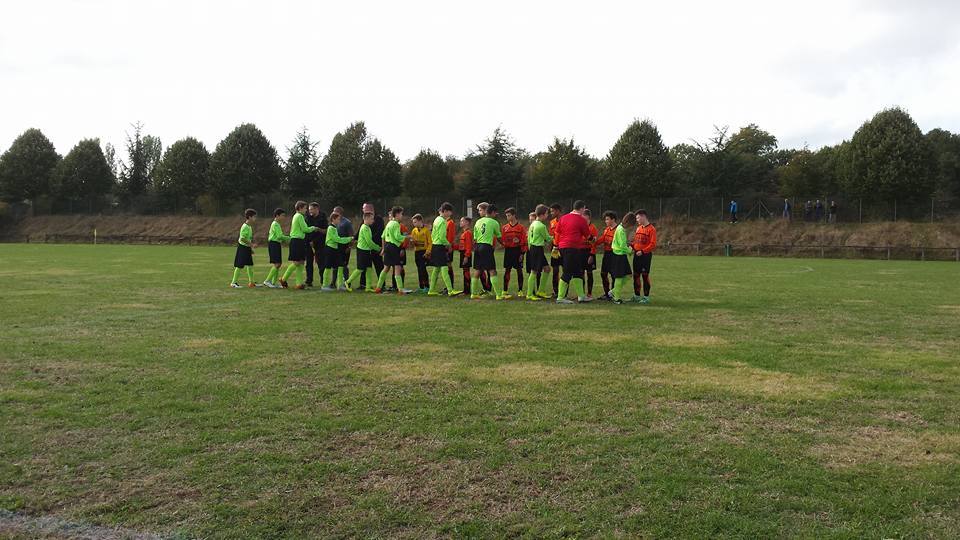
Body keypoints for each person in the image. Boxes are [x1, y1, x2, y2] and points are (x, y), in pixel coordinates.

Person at [554, 200, 592, 304]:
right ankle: (560, 297)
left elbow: (557, 233)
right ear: (582, 208)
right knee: (568, 272)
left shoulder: (563, 218)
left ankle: (581, 296)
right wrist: (593, 239)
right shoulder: (581, 220)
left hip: (563, 247)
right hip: (572, 248)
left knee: (577, 272)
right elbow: (588, 236)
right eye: (584, 209)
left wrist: (556, 246)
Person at [471, 203, 509, 300]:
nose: (496, 215)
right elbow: (499, 237)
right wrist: (504, 244)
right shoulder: (494, 222)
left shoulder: (478, 221)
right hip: (486, 247)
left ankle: (473, 294)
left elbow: (474, 238)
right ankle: (499, 295)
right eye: (495, 213)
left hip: (477, 247)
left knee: (477, 270)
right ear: (492, 212)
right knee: (492, 270)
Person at [279, 201, 320, 289]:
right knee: (297, 262)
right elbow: (305, 229)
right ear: (300, 208)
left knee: (301, 262)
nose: (306, 210)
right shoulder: (299, 216)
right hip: (296, 241)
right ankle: (283, 279)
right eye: (305, 208)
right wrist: (313, 228)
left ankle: (299, 283)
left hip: (299, 241)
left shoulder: (296, 216)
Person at [427, 202, 462, 297]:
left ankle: (431, 290)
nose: (451, 214)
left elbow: (433, 234)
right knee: (444, 268)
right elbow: (442, 237)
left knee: (436, 269)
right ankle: (450, 290)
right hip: (440, 247)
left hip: (435, 246)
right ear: (445, 211)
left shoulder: (436, 219)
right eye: (450, 212)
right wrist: (448, 244)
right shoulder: (443, 221)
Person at [375, 206, 412, 294]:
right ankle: (400, 290)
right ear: (397, 214)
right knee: (397, 268)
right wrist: (408, 237)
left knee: (386, 268)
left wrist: (383, 248)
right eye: (401, 214)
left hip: (387, 246)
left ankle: (378, 287)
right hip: (394, 247)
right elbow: (397, 237)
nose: (402, 216)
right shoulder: (396, 224)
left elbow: (383, 236)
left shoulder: (389, 223)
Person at [344, 212, 378, 292]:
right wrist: (378, 248)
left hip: (367, 251)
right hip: (362, 251)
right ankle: (347, 282)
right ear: (366, 219)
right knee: (360, 269)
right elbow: (369, 242)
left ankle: (368, 287)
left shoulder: (367, 227)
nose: (373, 221)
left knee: (369, 268)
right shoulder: (364, 228)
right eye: (371, 219)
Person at [525, 206, 553, 301]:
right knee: (534, 271)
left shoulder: (533, 224)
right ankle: (529, 294)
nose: (547, 215)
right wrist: (556, 235)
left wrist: (530, 249)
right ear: (542, 214)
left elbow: (529, 238)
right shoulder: (541, 226)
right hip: (537, 249)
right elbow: (548, 239)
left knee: (547, 269)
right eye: (546, 213)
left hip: (534, 248)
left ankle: (541, 291)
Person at [320, 211, 354, 291]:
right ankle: (324, 285)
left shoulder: (334, 228)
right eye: (338, 219)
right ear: (333, 219)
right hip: (329, 250)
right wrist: (349, 239)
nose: (339, 221)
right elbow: (337, 239)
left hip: (335, 250)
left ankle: (340, 285)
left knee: (340, 265)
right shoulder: (330, 228)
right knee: (328, 267)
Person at [609, 212, 637, 304]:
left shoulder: (620, 228)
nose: (631, 227)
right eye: (631, 224)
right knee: (619, 277)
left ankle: (613, 291)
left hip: (621, 255)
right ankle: (616, 298)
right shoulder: (621, 230)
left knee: (628, 275)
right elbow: (622, 246)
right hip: (618, 256)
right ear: (629, 222)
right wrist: (630, 250)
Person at [500, 207, 527, 297]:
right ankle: (505, 290)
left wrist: (522, 253)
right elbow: (503, 240)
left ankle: (520, 290)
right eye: (506, 216)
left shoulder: (521, 227)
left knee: (519, 270)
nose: (507, 217)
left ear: (514, 215)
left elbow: (524, 241)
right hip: (508, 251)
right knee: (507, 270)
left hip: (517, 251)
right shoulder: (504, 228)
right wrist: (505, 243)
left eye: (509, 215)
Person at [632, 209, 657, 304]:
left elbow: (653, 244)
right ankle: (637, 296)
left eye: (638, 218)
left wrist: (643, 251)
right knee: (636, 275)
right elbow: (636, 241)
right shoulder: (638, 228)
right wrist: (632, 247)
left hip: (645, 256)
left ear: (643, 216)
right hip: (636, 255)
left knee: (645, 276)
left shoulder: (651, 229)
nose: (637, 220)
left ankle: (646, 297)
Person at [357, 203, 385, 289]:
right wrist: (353, 238)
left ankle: (382, 285)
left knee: (379, 266)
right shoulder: (365, 219)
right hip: (367, 248)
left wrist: (374, 244)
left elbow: (380, 232)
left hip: (375, 247)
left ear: (370, 209)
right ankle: (363, 284)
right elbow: (359, 231)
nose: (363, 210)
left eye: (364, 208)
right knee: (365, 266)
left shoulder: (379, 219)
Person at [230, 208, 258, 288]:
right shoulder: (245, 226)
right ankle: (233, 283)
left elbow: (247, 239)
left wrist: (250, 249)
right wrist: (252, 245)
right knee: (239, 265)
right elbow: (242, 238)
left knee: (250, 265)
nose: (255, 218)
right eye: (254, 217)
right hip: (242, 247)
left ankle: (251, 283)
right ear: (249, 217)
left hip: (247, 248)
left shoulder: (249, 227)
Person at [263, 208, 290, 288]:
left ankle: (273, 283)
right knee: (277, 264)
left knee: (278, 264)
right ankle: (267, 281)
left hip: (276, 244)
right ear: (277, 216)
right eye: (282, 215)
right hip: (273, 244)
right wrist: (289, 238)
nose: (284, 217)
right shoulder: (275, 224)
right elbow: (279, 236)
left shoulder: (276, 224)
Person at [304, 202, 327, 287]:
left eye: (311, 209)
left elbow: (325, 231)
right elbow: (306, 230)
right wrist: (310, 241)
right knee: (309, 263)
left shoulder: (323, 217)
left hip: (320, 243)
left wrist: (318, 229)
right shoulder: (307, 217)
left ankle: (323, 281)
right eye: (309, 209)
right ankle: (309, 280)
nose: (310, 211)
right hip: (308, 243)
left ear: (317, 209)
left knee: (321, 263)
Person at [596, 211, 617, 300]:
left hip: (614, 254)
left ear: (613, 219)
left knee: (614, 275)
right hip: (607, 254)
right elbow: (602, 239)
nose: (606, 221)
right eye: (605, 219)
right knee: (603, 274)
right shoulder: (607, 229)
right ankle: (607, 294)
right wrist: (593, 241)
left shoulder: (618, 230)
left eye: (607, 219)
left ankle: (613, 294)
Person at [410, 213, 432, 292]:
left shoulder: (426, 230)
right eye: (413, 222)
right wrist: (412, 242)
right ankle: (421, 287)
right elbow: (413, 241)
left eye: (415, 222)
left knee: (423, 269)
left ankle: (427, 286)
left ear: (420, 221)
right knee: (419, 269)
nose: (414, 224)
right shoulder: (414, 230)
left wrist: (428, 252)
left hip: (424, 252)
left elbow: (430, 242)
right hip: (417, 252)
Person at [332, 206, 353, 286]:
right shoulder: (333, 222)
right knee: (335, 265)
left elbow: (351, 235)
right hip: (336, 246)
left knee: (344, 265)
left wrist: (349, 247)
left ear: (339, 213)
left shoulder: (347, 222)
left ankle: (347, 282)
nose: (333, 213)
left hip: (344, 247)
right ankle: (333, 282)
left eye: (335, 211)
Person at [581, 208, 599, 299]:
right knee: (580, 273)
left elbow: (594, 243)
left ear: (588, 217)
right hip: (580, 252)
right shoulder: (580, 226)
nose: (582, 217)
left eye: (583, 216)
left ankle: (589, 293)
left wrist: (592, 254)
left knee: (589, 273)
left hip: (589, 252)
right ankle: (581, 293)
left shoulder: (593, 228)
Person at [455, 216, 474, 295]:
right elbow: (461, 245)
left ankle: (467, 291)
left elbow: (469, 246)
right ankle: (465, 290)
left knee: (466, 272)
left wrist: (466, 256)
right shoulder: (464, 233)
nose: (460, 222)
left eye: (462, 221)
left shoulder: (468, 233)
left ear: (467, 223)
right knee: (465, 271)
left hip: (466, 254)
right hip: (463, 253)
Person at [548, 203, 563, 296]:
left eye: (553, 211)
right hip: (555, 248)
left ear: (558, 211)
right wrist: (551, 247)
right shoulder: (552, 222)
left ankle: (563, 292)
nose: (551, 213)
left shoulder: (564, 220)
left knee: (565, 270)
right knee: (555, 269)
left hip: (563, 247)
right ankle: (555, 291)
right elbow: (551, 236)